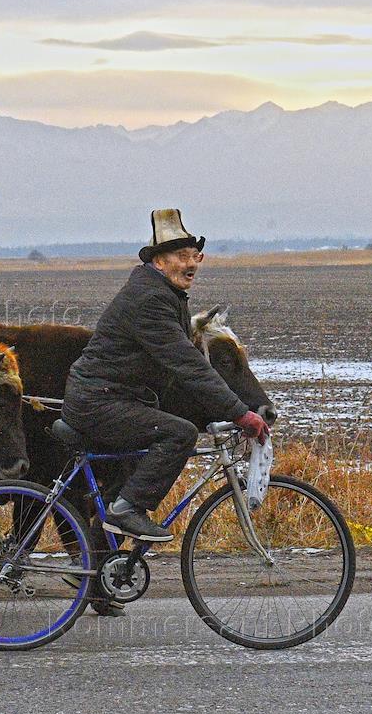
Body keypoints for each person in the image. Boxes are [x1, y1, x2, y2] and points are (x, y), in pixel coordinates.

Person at [62, 209, 270, 542]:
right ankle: (127, 510)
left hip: (114, 399)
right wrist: (239, 413)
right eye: (182, 256)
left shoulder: (164, 293)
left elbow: (184, 366)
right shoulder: (151, 300)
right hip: (98, 403)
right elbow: (188, 364)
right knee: (179, 433)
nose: (191, 264)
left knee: (128, 478)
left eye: (195, 256)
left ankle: (104, 563)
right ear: (159, 262)